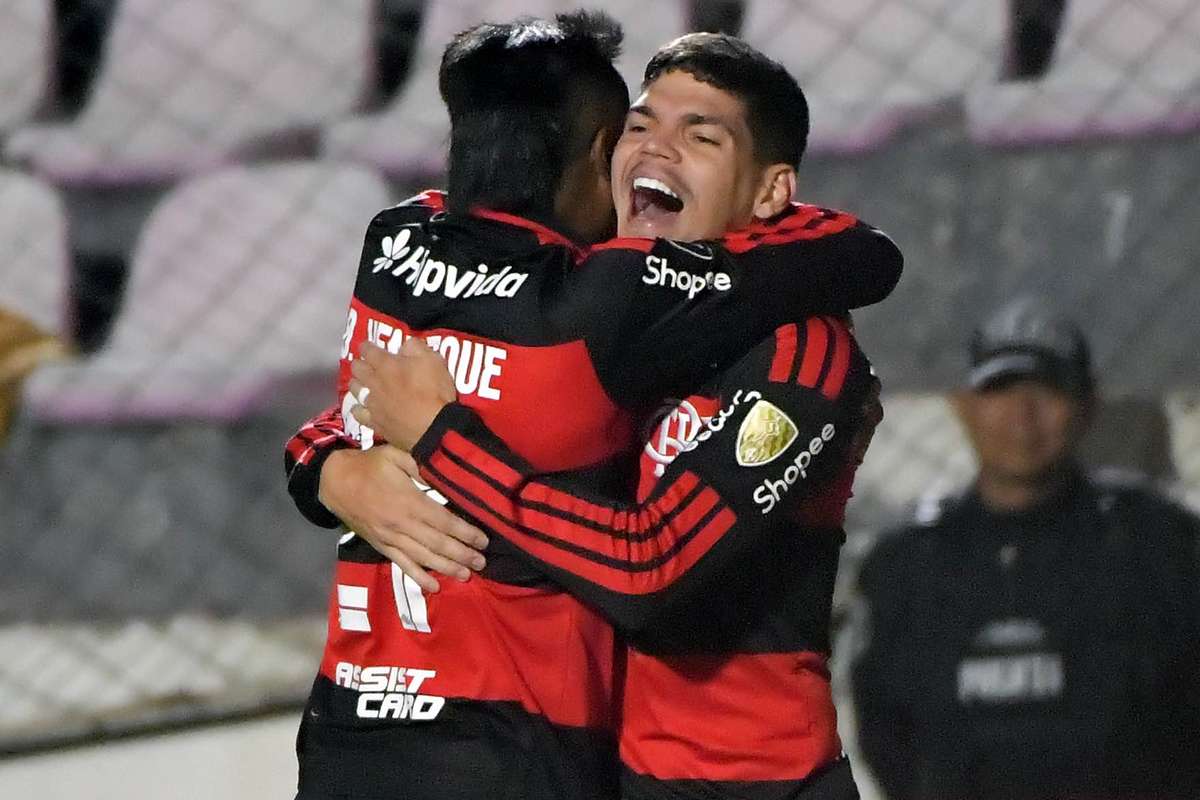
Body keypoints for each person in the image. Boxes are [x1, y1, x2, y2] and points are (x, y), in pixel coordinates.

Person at [285, 14, 902, 800]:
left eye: (701, 138)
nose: (654, 150)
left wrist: (429, 445)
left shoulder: (796, 351)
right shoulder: (589, 304)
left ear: (771, 188)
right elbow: (393, 401)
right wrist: (332, 465)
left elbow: (645, 573)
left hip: (749, 783)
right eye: (636, 128)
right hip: (592, 762)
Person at [850, 296, 1200, 800]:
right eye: (1000, 388)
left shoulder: (1156, 545)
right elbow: (885, 732)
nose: (1022, 414)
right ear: (964, 406)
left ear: (1088, 404)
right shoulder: (907, 565)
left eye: (1047, 389)